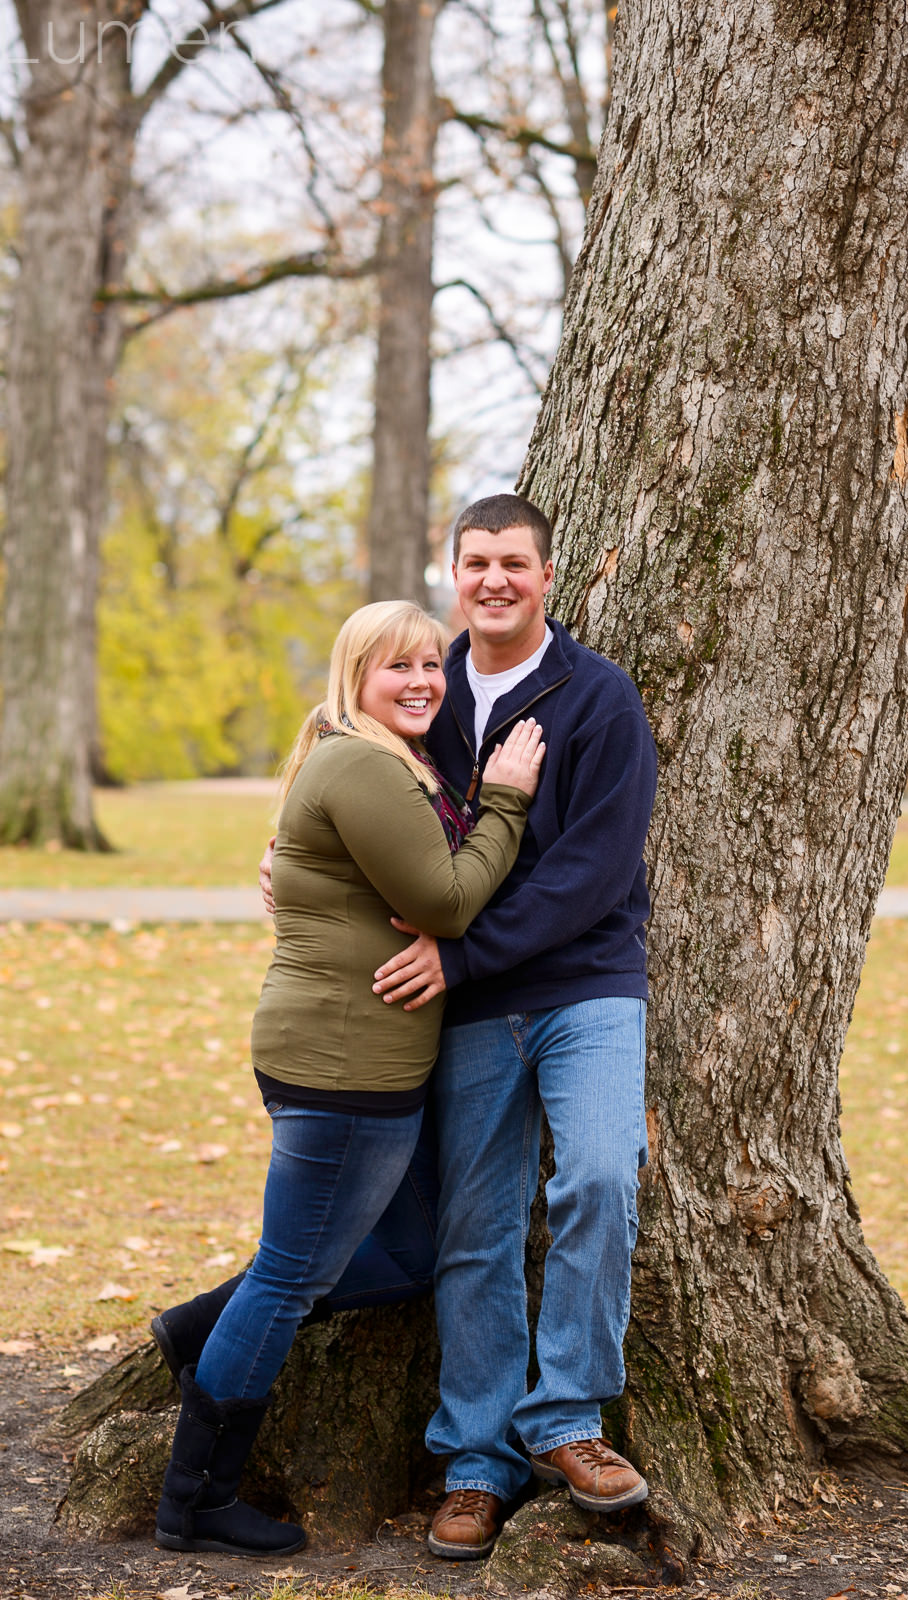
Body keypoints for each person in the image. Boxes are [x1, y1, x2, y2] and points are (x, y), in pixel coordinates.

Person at [153, 600, 545, 1559]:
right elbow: (445, 901)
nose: (419, 682)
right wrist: (507, 801)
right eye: (394, 668)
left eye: (429, 664)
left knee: (405, 1256)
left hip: (367, 1062)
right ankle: (197, 1498)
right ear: (353, 677)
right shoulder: (364, 763)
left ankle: (193, 1331)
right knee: (290, 1279)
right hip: (343, 1067)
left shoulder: (385, 761)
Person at [368, 495, 658, 1559]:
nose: (495, 580)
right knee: (475, 1226)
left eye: (515, 564)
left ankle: (569, 1418)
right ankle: (478, 1460)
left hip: (587, 986)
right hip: (472, 1007)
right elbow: (354, 801)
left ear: (548, 576)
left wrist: (462, 951)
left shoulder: (599, 698)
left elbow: (590, 875)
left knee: (600, 1177)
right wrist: (289, 869)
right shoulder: (422, 692)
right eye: (477, 562)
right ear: (455, 571)